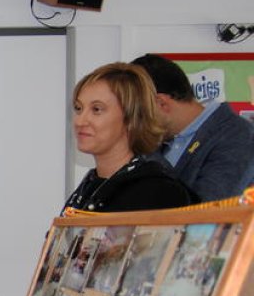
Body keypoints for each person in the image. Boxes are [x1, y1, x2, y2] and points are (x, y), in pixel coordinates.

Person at [64, 62, 196, 213]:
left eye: (96, 109)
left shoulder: (159, 193)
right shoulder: (89, 187)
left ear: (131, 118)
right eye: (79, 108)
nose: (80, 121)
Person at [131, 53, 254, 201]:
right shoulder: (162, 140)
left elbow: (207, 208)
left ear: (161, 103)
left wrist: (146, 149)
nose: (132, 122)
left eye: (135, 113)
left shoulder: (237, 135)